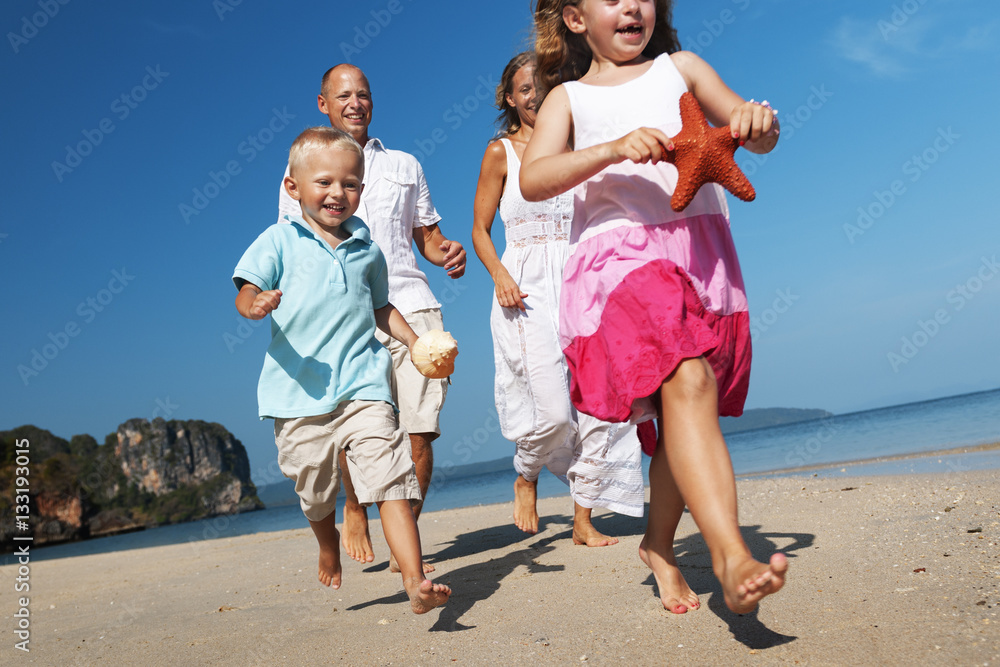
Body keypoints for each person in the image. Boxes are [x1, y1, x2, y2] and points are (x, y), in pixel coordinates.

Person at [520, 0, 788, 614]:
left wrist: (758, 123)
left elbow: (760, 138)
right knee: (688, 376)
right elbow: (535, 179)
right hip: (617, 263)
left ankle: (659, 547)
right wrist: (612, 149)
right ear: (574, 18)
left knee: (685, 406)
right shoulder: (568, 99)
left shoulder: (683, 69)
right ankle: (730, 556)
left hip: (698, 253)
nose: (631, 5)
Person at [236, 126, 450, 613]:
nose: (338, 193)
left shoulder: (368, 250)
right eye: (325, 183)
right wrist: (254, 304)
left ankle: (414, 582)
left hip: (364, 384)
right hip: (297, 395)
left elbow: (381, 308)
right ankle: (327, 540)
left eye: (350, 184)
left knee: (392, 478)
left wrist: (415, 342)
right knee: (313, 492)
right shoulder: (278, 241)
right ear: (294, 188)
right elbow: (246, 290)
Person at [278, 64, 466, 573]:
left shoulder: (406, 164)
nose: (354, 102)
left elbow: (427, 238)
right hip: (349, 315)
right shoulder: (301, 172)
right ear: (323, 103)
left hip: (413, 303)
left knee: (420, 428)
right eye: (343, 96)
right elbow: (292, 249)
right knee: (354, 418)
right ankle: (357, 506)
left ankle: (407, 537)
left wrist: (446, 251)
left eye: (362, 94)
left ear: (372, 103)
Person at [471, 52, 644, 546]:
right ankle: (525, 474)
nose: (536, 97)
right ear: (510, 98)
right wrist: (499, 273)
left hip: (582, 279)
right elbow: (480, 230)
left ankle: (582, 521)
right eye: (525, 89)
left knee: (597, 403)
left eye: (545, 86)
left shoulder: (576, 147)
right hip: (524, 286)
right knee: (550, 412)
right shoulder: (500, 152)